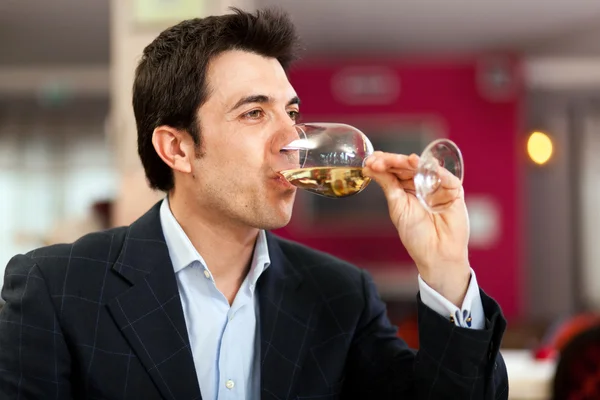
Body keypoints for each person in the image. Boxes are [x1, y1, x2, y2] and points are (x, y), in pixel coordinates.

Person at [0, 7, 508, 400]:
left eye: (292, 112)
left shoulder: (340, 295)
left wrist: (446, 270)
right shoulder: (56, 288)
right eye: (253, 114)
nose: (293, 139)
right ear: (177, 148)